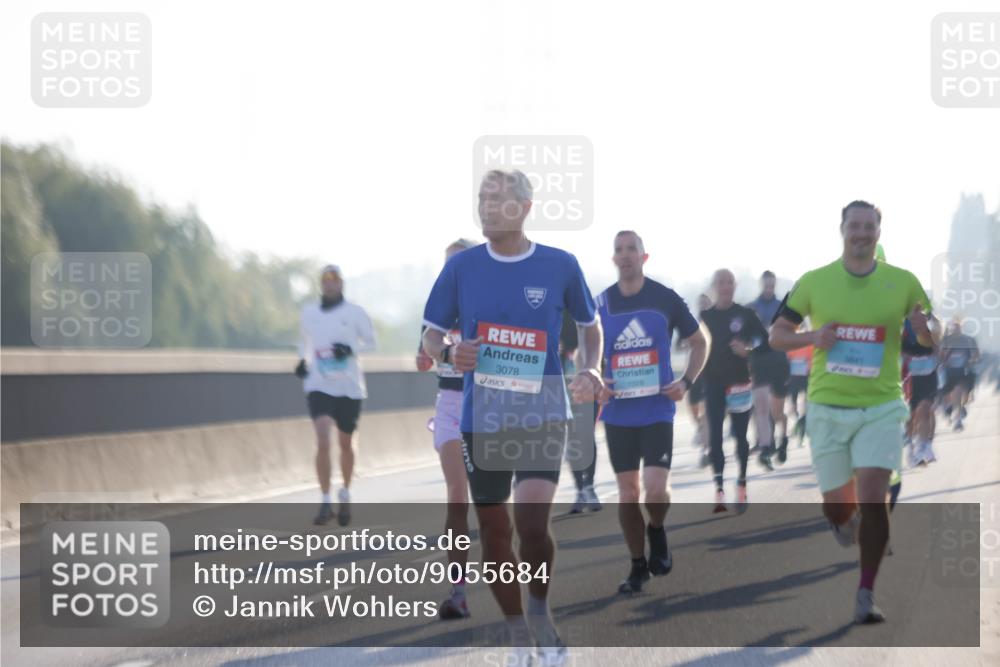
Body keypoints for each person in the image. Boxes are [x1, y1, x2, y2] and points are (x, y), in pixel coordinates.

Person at [421, 169, 605, 665]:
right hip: (483, 419)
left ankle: (540, 610)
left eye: (496, 198)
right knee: (495, 534)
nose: (484, 206)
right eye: (480, 197)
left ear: (524, 207)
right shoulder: (461, 269)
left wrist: (591, 367)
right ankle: (518, 631)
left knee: (531, 525)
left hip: (544, 411)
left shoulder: (559, 265)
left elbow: (591, 327)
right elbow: (431, 335)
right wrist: (447, 355)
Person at [770, 200, 938, 624]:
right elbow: (777, 336)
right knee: (838, 511)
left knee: (874, 497)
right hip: (827, 407)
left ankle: (866, 591)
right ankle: (845, 523)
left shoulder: (904, 283)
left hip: (881, 406)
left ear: (879, 233)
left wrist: (925, 329)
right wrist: (814, 336)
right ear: (842, 229)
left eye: (869, 226)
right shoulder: (814, 281)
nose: (862, 233)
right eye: (855, 225)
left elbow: (932, 334)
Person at [595, 230, 707, 593]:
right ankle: (637, 565)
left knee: (655, 490)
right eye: (619, 250)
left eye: (632, 250)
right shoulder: (600, 304)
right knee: (628, 492)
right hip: (617, 413)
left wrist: (686, 383)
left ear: (644, 257)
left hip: (657, 408)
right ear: (613, 259)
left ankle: (656, 529)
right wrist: (595, 380)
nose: (625, 255)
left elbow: (699, 343)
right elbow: (586, 350)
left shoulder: (665, 298)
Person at [416, 239, 478, 619]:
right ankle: (458, 591)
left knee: (493, 507)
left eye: (457, 264)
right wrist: (428, 356)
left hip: (489, 407)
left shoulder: (489, 304)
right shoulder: (436, 310)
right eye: (446, 265)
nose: (450, 272)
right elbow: (423, 356)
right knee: (457, 495)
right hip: (451, 407)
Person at [296, 265, 376, 526]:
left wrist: (349, 349)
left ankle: (345, 492)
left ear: (342, 284)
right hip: (319, 384)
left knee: (345, 442)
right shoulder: (309, 313)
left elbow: (371, 342)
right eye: (325, 280)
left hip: (349, 387)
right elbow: (305, 342)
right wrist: (302, 362)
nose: (330, 284)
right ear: (321, 284)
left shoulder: (355, 313)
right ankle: (325, 499)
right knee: (322, 438)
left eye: (334, 280)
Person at [699, 269, 768, 513]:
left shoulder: (746, 314)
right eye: (721, 282)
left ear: (735, 285)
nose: (725, 286)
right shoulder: (705, 316)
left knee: (741, 436)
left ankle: (741, 482)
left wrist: (748, 349)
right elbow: (694, 344)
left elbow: (764, 340)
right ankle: (718, 487)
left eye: (729, 282)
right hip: (713, 383)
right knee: (715, 437)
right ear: (714, 286)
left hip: (739, 382)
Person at [559, 309, 602, 514]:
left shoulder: (587, 314)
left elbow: (598, 345)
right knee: (573, 437)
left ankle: (590, 486)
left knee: (586, 435)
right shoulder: (553, 311)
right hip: (562, 385)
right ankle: (580, 490)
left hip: (586, 382)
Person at [746, 271, 791, 466]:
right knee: (761, 407)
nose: (769, 288)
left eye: (772, 285)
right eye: (766, 285)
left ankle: (784, 437)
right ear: (761, 284)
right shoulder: (751, 308)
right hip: (759, 363)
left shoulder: (784, 306)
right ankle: (766, 447)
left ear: (775, 284)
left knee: (777, 411)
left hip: (779, 361)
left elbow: (795, 330)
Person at [901, 319, 938, 466]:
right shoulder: (904, 333)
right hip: (910, 381)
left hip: (929, 378)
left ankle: (922, 448)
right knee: (910, 418)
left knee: (924, 411)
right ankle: (910, 450)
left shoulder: (931, 333)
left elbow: (939, 348)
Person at [940, 319, 980, 432]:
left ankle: (958, 413)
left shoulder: (968, 340)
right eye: (953, 328)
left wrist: (972, 360)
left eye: (957, 327)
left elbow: (976, 354)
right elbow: (940, 356)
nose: (955, 330)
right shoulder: (946, 340)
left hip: (964, 371)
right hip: (948, 372)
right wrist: (947, 351)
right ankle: (955, 417)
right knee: (953, 394)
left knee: (962, 394)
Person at [686, 294, 712, 466]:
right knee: (693, 408)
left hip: (712, 373)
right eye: (700, 303)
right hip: (695, 372)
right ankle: (701, 428)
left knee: (705, 412)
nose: (703, 306)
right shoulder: (690, 322)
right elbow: (679, 344)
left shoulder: (716, 321)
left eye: (705, 303)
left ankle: (706, 449)